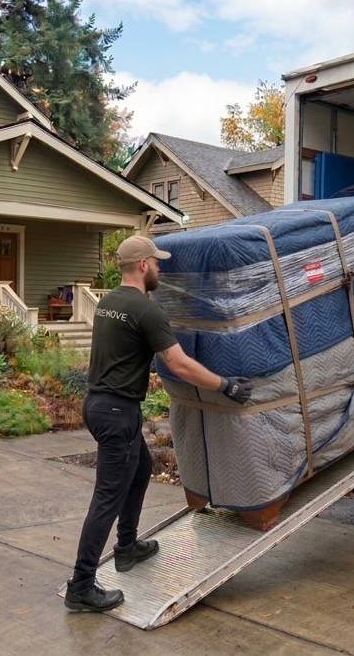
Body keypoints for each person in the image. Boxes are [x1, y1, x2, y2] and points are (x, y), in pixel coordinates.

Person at [65, 235, 254, 612]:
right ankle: (82, 585)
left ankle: (128, 546)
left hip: (103, 405)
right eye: (157, 262)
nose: (161, 269)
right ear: (143, 266)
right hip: (116, 412)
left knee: (139, 471)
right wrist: (225, 386)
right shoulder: (145, 310)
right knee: (107, 498)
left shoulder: (110, 303)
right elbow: (178, 363)